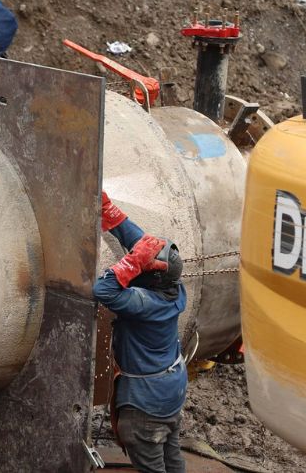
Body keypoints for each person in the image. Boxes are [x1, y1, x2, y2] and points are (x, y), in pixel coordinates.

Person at [94, 191, 188, 473]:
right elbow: (144, 246)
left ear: (150, 274)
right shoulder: (172, 286)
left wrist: (132, 262)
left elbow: (103, 290)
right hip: (170, 390)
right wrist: (110, 212)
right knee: (172, 460)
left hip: (147, 404)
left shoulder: (145, 303)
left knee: (152, 465)